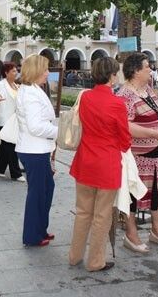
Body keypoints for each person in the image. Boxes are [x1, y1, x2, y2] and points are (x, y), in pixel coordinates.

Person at [68, 57, 131, 271]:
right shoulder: (117, 103)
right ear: (112, 76)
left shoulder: (86, 97)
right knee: (102, 215)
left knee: (83, 212)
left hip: (85, 160)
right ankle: (95, 261)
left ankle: (75, 256)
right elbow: (125, 138)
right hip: (107, 163)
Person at [116, 52, 158, 253]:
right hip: (138, 155)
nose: (150, 69)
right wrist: (153, 133)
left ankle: (157, 230)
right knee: (134, 195)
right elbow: (126, 126)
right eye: (147, 66)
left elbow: (155, 110)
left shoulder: (147, 89)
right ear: (135, 71)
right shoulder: (124, 95)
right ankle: (131, 234)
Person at [15, 54, 58, 247]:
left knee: (46, 189)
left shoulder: (32, 89)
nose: (48, 73)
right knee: (38, 193)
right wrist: (60, 131)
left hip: (36, 149)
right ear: (37, 70)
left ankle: (40, 229)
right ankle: (33, 235)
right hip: (34, 150)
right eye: (46, 69)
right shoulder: (30, 94)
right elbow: (35, 127)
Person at [0, 62, 25, 182]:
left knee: (5, 146)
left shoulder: (16, 85)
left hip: (14, 119)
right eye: (13, 71)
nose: (16, 73)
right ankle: (16, 173)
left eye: (16, 70)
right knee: (11, 145)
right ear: (6, 73)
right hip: (3, 119)